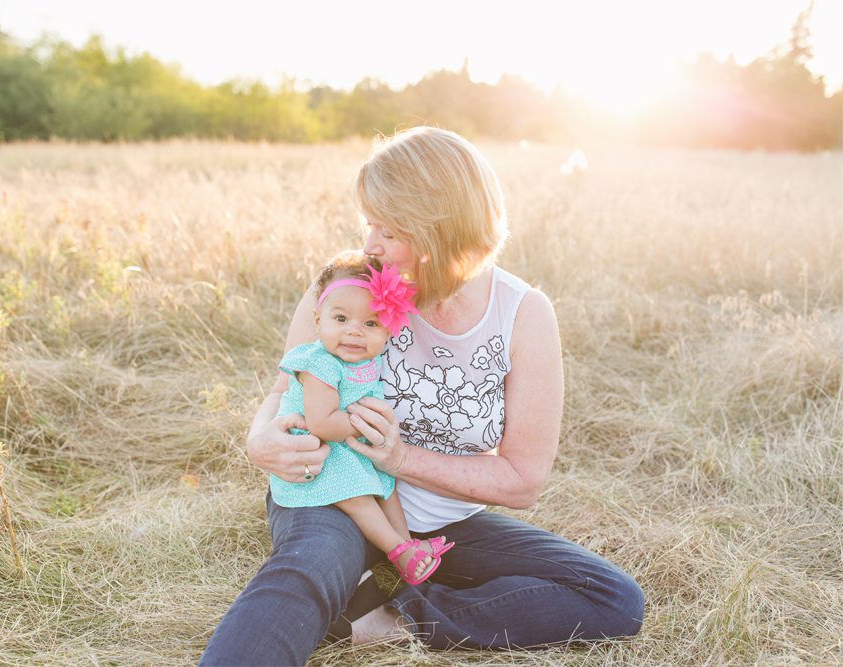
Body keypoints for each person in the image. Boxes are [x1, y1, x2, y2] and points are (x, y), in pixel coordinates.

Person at [200, 127, 644, 665]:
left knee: (612, 598)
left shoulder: (521, 314)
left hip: (444, 522)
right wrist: (258, 440)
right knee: (307, 570)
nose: (370, 245)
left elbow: (524, 479)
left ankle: (388, 613)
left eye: (388, 228)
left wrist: (401, 458)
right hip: (335, 492)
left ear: (438, 231)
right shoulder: (345, 289)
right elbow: (282, 388)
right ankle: (341, 587)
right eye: (369, 223)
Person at [270, 250, 454, 584]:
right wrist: (370, 426)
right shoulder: (319, 364)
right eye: (341, 320)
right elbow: (323, 423)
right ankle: (399, 550)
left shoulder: (367, 362)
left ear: (387, 333)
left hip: (352, 446)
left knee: (386, 486)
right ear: (318, 321)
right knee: (358, 494)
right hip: (321, 451)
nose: (355, 332)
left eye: (370, 324)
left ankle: (408, 545)